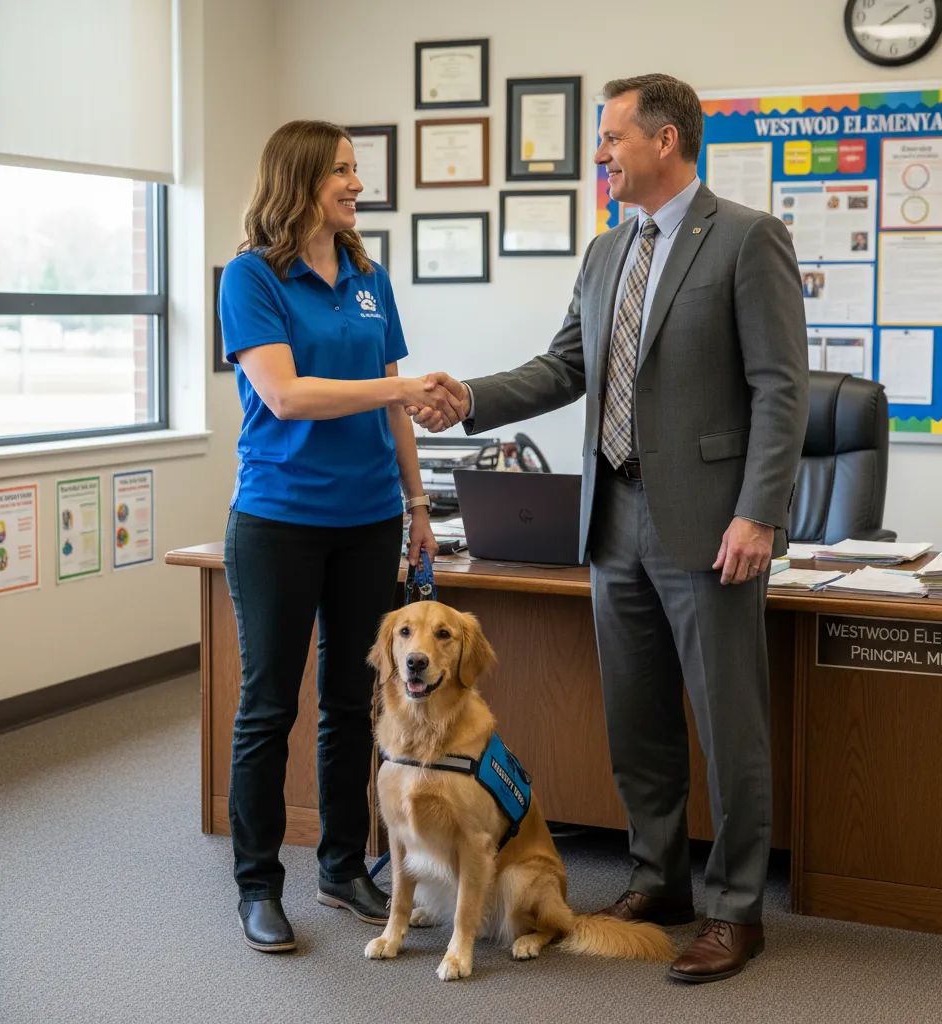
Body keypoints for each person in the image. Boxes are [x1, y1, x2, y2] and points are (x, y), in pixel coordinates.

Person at [413, 75, 809, 984]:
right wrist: (469, 398)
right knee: (636, 720)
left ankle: (736, 907)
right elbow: (564, 367)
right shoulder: (605, 253)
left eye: (612, 139)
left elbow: (781, 390)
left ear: (665, 141)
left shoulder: (748, 239)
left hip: (711, 524)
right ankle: (658, 877)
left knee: (728, 722)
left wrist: (758, 511)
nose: (601, 154)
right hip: (612, 516)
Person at [217, 119, 462, 953]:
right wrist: (392, 387)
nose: (357, 185)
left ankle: (341, 866)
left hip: (369, 522)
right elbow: (285, 395)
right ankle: (257, 884)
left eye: (357, 171)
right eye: (342, 172)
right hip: (279, 520)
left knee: (352, 707)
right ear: (299, 180)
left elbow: (393, 398)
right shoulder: (251, 278)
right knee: (267, 707)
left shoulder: (368, 276)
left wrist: (419, 503)